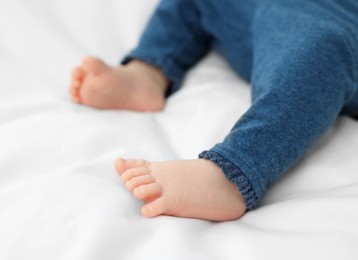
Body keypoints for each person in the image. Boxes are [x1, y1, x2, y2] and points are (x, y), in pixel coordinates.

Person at [69, 0, 358, 221]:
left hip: (337, 20)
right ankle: (149, 71)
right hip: (262, 10)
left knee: (321, 51)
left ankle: (234, 172)